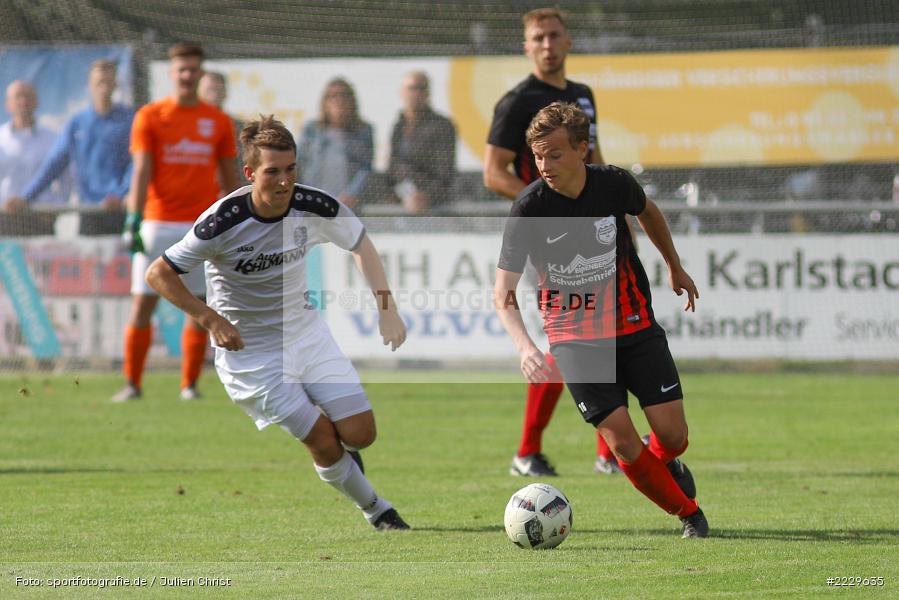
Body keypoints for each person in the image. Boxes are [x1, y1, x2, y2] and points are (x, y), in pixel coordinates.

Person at [145, 115, 410, 531]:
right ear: (250, 174)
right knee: (323, 440)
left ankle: (342, 453)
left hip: (305, 334)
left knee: (361, 434)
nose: (284, 181)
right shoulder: (222, 221)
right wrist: (210, 319)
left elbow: (360, 244)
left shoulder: (314, 204)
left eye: (291, 170)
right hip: (251, 355)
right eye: (272, 172)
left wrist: (386, 307)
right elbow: (158, 274)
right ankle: (378, 509)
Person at [494, 102, 708, 538]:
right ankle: (690, 514)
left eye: (555, 155)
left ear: (582, 150)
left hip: (634, 327)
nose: (544, 166)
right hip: (575, 342)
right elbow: (503, 293)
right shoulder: (529, 207)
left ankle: (663, 458)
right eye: (538, 156)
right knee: (622, 443)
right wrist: (526, 347)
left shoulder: (613, 184)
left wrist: (675, 265)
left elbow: (648, 212)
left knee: (674, 436)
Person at [483, 7, 615, 477]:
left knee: (605, 332)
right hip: (548, 238)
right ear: (526, 46)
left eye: (553, 35)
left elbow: (593, 160)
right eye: (537, 38)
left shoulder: (582, 96)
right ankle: (534, 451)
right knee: (574, 337)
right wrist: (545, 201)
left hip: (594, 232)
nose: (546, 44)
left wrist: (611, 209)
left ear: (568, 41)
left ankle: (603, 451)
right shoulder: (517, 102)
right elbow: (493, 172)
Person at [113, 42, 240, 403]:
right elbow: (141, 171)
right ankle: (133, 384)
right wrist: (133, 219)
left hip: (200, 225)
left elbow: (229, 177)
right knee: (143, 303)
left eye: (193, 69)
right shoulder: (151, 116)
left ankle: (189, 385)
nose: (187, 75)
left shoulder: (217, 121)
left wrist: (236, 219)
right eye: (181, 69)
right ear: (172, 73)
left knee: (198, 304)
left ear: (201, 73)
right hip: (156, 221)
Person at [10, 60, 133, 233]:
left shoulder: (129, 120)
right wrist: (26, 197)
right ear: (90, 85)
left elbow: (137, 164)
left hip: (120, 210)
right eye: (99, 82)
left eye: (108, 81)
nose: (104, 87)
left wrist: (121, 194)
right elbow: (53, 165)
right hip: (89, 212)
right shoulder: (77, 123)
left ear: (115, 85)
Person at [297, 78, 373, 210]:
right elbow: (298, 163)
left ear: (352, 101)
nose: (339, 100)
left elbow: (366, 167)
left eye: (344, 95)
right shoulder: (312, 130)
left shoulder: (363, 131)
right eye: (333, 96)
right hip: (314, 203)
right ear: (325, 102)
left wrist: (352, 194)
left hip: (348, 205)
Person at [387, 71, 456, 214]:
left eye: (421, 88)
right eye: (412, 88)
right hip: (400, 202)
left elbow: (445, 172)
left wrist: (427, 196)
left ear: (428, 93)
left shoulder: (441, 126)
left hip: (432, 207)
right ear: (402, 92)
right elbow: (393, 167)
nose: (416, 93)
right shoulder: (398, 126)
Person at [1, 80, 72, 211]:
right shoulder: (2, 140)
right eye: (18, 97)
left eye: (28, 96)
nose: (23, 102)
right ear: (7, 104)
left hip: (40, 215)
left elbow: (66, 179)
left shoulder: (53, 139)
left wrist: (55, 210)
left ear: (37, 102)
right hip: (4, 215)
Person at [199, 70, 246, 188]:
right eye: (209, 90)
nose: (214, 94)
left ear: (225, 93)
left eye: (218, 89)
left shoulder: (239, 128)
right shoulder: (189, 126)